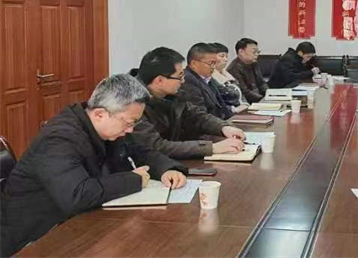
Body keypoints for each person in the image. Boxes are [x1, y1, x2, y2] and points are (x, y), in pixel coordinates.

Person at [0, 74, 188, 258]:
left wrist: (166, 169)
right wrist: (135, 180)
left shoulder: (105, 126)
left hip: (78, 223)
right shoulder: (58, 139)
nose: (130, 129)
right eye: (129, 123)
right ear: (100, 114)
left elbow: (139, 151)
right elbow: (77, 195)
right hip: (35, 239)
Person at [130, 47, 245, 159]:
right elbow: (156, 146)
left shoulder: (173, 95)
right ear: (159, 80)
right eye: (179, 76)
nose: (183, 81)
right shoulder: (133, 104)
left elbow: (197, 116)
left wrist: (223, 127)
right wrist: (211, 148)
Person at [181, 42, 234, 120]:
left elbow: (222, 106)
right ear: (194, 63)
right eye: (210, 63)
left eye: (215, 63)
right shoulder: (188, 80)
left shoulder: (207, 78)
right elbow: (199, 115)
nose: (213, 67)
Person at [211, 42, 249, 113]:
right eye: (222, 56)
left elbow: (241, 94)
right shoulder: (210, 78)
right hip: (229, 113)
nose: (225, 59)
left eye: (226, 56)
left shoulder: (227, 74)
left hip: (242, 110)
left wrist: (246, 105)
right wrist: (234, 109)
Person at [227, 38, 268, 103]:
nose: (257, 54)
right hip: (248, 103)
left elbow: (262, 83)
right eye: (254, 52)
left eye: (258, 52)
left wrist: (269, 95)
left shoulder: (254, 63)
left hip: (260, 100)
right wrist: (263, 100)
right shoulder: (233, 69)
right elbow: (244, 92)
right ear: (241, 52)